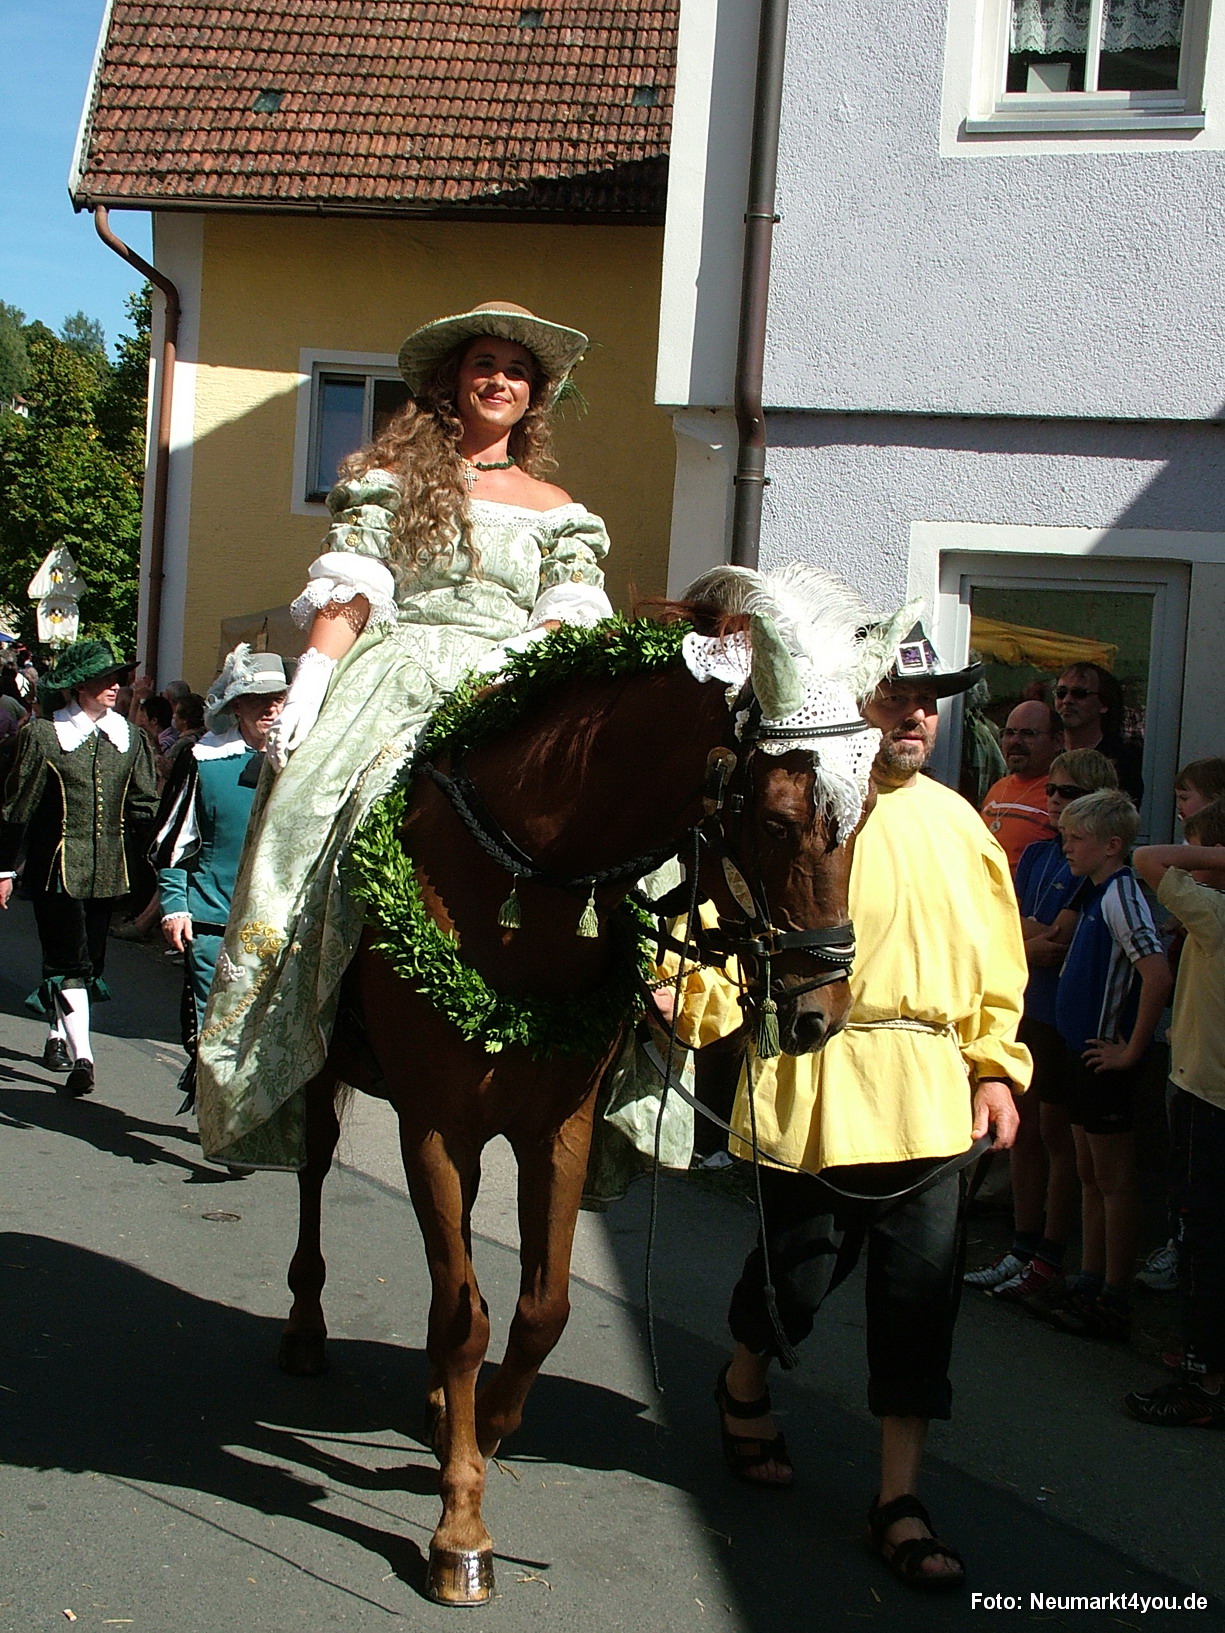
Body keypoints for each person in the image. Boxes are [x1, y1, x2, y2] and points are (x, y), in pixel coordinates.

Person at [196, 300, 613, 1171]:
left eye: (516, 371)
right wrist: (312, 677)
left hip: (511, 679)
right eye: (483, 365)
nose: (499, 379)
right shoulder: (389, 479)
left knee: (622, 833)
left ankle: (626, 1033)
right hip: (396, 671)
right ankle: (297, 1014)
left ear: (532, 397)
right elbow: (353, 592)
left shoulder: (557, 508)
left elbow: (568, 614)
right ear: (452, 384)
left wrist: (514, 672)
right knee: (309, 812)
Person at [711, 622, 1029, 1592]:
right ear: (858, 697)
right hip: (823, 1078)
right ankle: (742, 1379)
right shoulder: (810, 804)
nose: (918, 714)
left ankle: (898, 1499)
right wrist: (701, 1004)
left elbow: (997, 962)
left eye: (930, 700)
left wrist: (994, 1066)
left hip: (930, 1097)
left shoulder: (963, 823)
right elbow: (742, 926)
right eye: (900, 692)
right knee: (797, 1274)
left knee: (917, 1302)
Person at [965, 749, 1118, 1307]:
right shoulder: (1034, 855)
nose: (1051, 801)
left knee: (1060, 1142)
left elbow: (1054, 941)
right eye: (1050, 791)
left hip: (1066, 1019)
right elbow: (1018, 930)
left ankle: (1050, 1256)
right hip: (1024, 1007)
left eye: (1066, 793)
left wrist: (1017, 945)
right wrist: (1023, 943)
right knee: (1024, 1135)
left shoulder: (1090, 864)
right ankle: (1020, 1246)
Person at [0, 640, 159, 1095]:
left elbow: (145, 806)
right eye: (104, 680)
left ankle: (56, 1031)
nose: (115, 686)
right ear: (78, 687)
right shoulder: (44, 736)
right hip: (56, 869)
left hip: (110, 869)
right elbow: (16, 809)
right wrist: (5, 870)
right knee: (68, 959)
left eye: (117, 679)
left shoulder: (130, 740)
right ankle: (84, 1057)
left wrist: (153, 868)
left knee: (89, 961)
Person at [1043, 790, 1171, 1341]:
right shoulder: (1095, 893)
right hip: (1080, 1052)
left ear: (1112, 845)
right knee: (1089, 1172)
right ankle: (1091, 1277)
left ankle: (1114, 1295)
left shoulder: (1122, 895)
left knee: (1114, 1180)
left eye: (1078, 839)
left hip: (1105, 1058)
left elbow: (1157, 974)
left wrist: (1131, 1050)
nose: (1067, 847)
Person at [1124, 798, 1225, 1426]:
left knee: (1203, 1241)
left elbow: (1146, 858)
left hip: (1207, 1099)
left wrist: (1211, 856)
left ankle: (1204, 1380)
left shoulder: (1215, 913)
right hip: (1205, 1089)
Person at [153, 647, 287, 1107]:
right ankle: (221, 1114)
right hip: (213, 919)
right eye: (258, 699)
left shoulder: (302, 764)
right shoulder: (206, 761)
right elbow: (174, 842)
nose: (271, 708)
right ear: (235, 707)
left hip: (280, 923)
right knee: (218, 1029)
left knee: (264, 1031)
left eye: (279, 698)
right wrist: (174, 907)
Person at [979, 700, 1062, 873]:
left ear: (1057, 741)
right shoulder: (998, 787)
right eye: (1009, 733)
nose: (1015, 741)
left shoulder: (1061, 794)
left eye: (1028, 734)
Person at [1054, 663, 1144, 804]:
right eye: (1061, 693)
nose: (1067, 700)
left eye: (1080, 694)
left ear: (1104, 704)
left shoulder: (1122, 761)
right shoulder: (1046, 752)